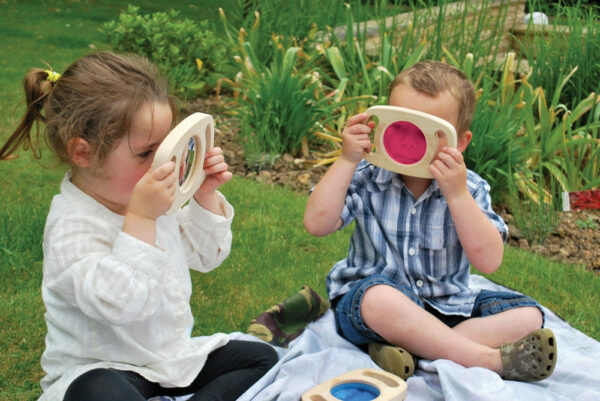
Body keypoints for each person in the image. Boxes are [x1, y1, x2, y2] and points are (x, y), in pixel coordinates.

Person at [1, 51, 277, 401]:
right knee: (98, 392)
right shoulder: (71, 229)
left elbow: (206, 256)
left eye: (168, 148)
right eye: (148, 153)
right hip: (103, 368)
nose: (166, 164)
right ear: (83, 153)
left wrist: (204, 194)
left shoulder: (151, 195)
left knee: (261, 359)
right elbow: (123, 305)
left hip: (168, 360)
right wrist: (142, 219)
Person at [303, 60, 557, 382]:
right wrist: (346, 159)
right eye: (401, 124)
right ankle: (487, 359)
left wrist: (458, 196)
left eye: (426, 130)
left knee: (529, 316)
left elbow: (489, 261)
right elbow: (317, 224)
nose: (410, 139)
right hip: (372, 304)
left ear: (459, 142)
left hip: (447, 306)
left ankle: (410, 350)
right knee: (380, 300)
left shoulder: (469, 189)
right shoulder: (366, 176)